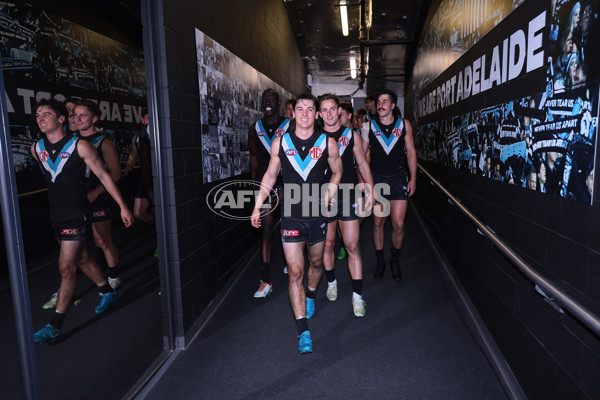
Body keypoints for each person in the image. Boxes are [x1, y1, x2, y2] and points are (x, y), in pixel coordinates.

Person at [31, 99, 133, 343]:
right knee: (83, 257)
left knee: (67, 268)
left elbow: (105, 177)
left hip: (78, 214)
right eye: (37, 115)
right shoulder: (37, 148)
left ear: (61, 119)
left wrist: (122, 206)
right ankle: (107, 291)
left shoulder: (81, 146)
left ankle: (55, 325)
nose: (41, 118)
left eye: (46, 114)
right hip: (56, 215)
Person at [251, 92, 342, 353]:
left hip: (318, 216)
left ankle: (312, 293)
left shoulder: (328, 143)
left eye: (309, 109)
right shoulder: (280, 143)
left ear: (316, 114)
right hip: (291, 216)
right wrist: (258, 205)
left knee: (316, 263)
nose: (304, 113)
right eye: (299, 109)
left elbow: (338, 172)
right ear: (293, 113)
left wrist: (331, 189)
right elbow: (270, 175)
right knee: (294, 272)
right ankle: (303, 332)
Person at [319, 94, 373, 317]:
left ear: (339, 112)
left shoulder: (351, 135)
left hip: (349, 195)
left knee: (352, 246)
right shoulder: (314, 137)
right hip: (324, 198)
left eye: (334, 109)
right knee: (328, 244)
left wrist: (370, 189)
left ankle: (358, 297)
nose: (331, 113)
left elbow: (361, 163)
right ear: (320, 113)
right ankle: (331, 281)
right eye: (326, 110)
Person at [361, 90, 417, 281]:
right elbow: (361, 157)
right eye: (379, 101)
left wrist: (413, 178)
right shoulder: (368, 127)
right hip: (377, 180)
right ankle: (380, 261)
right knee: (378, 222)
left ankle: (394, 260)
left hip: (398, 178)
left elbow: (410, 152)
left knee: (399, 224)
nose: (381, 104)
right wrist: (363, 182)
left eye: (385, 101)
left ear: (393, 105)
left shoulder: (404, 125)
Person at [74, 99, 124, 289]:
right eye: (75, 115)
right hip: (77, 199)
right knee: (80, 245)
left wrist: (95, 193)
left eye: (83, 115)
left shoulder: (104, 142)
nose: (78, 119)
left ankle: (113, 275)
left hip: (96, 197)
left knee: (102, 240)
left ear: (94, 118)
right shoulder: (72, 140)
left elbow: (116, 173)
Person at [248, 89, 290, 298]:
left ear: (279, 102)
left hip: (289, 184)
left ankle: (292, 265)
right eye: (264, 100)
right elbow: (254, 158)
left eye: (271, 100)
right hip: (267, 184)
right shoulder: (254, 128)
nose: (267, 103)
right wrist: (255, 184)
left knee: (290, 229)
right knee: (266, 231)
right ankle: (266, 281)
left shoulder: (290, 125)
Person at [124, 108, 155, 224]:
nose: (151, 122)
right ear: (142, 120)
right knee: (138, 213)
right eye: (148, 119)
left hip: (157, 177)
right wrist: (128, 166)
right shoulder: (137, 138)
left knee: (158, 208)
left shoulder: (157, 135)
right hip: (146, 178)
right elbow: (133, 155)